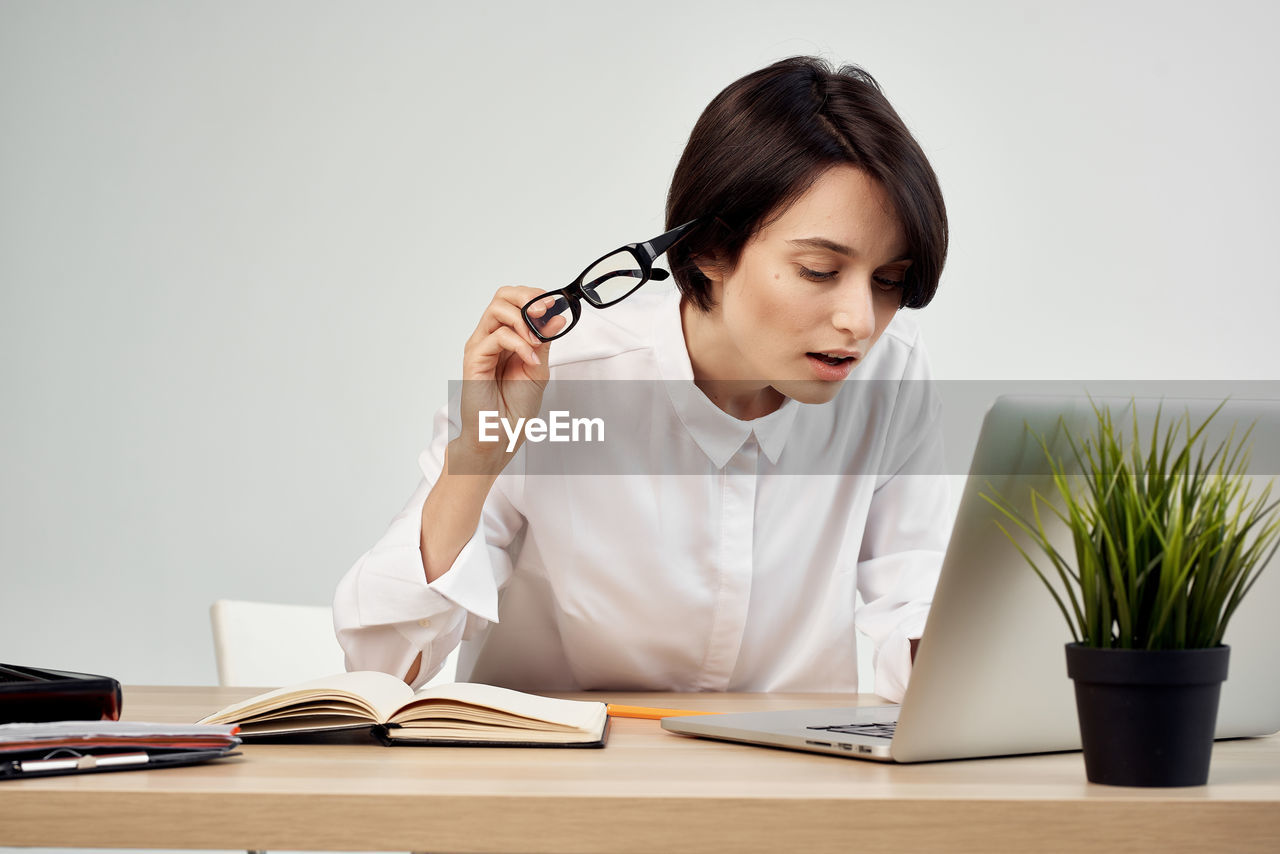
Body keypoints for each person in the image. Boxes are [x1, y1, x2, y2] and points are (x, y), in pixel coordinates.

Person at [333, 56, 950, 703]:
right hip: (561, 787)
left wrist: (963, 640)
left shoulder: (892, 377)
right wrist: (478, 455)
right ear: (710, 249)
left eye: (887, 281)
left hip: (784, 787)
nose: (859, 320)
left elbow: (918, 605)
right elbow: (381, 664)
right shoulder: (560, 383)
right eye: (820, 271)